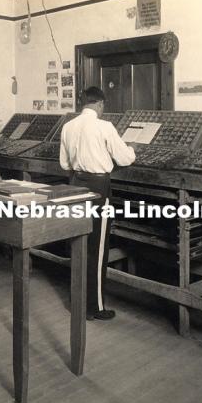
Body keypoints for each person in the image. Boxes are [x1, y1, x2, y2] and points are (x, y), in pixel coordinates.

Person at [60, 87, 136, 321]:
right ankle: (94, 307)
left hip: (75, 185)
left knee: (79, 243)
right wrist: (133, 150)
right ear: (100, 104)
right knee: (98, 247)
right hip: (97, 187)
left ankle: (78, 301)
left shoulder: (68, 126)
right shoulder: (104, 127)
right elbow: (125, 158)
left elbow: (64, 164)